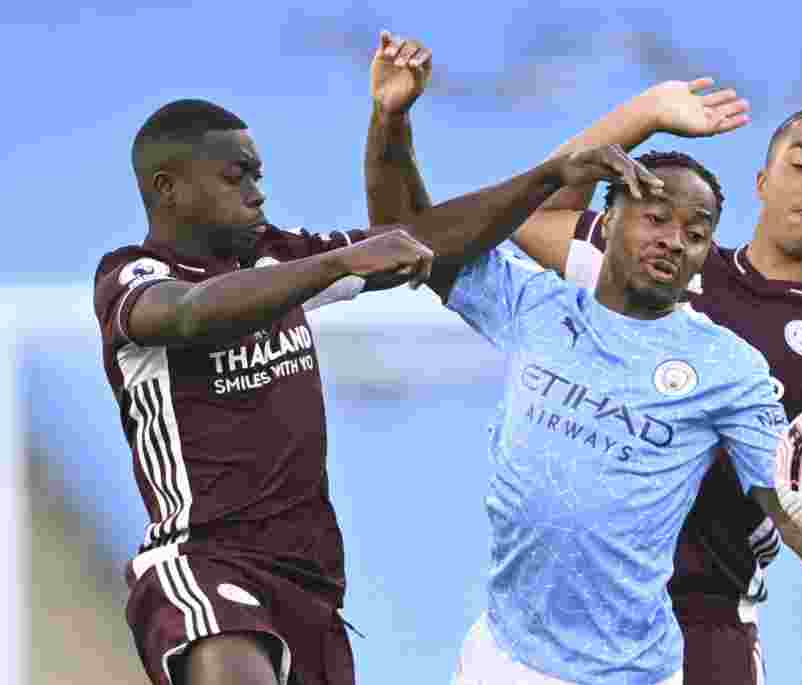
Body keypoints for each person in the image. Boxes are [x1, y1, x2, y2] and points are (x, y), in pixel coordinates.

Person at [363, 37, 802, 684]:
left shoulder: (799, 352)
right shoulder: (603, 280)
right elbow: (474, 227)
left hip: (699, 627)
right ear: (763, 179)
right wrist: (642, 114)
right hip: (518, 640)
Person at [94, 90, 655, 684]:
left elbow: (429, 240)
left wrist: (547, 177)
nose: (257, 192)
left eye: (259, 175)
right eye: (236, 177)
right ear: (167, 188)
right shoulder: (134, 276)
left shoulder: (276, 262)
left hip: (310, 583)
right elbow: (187, 312)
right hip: (204, 561)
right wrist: (341, 262)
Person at [366, 32, 786, 685]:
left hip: (645, 659)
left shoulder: (727, 361)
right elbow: (405, 242)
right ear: (607, 221)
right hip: (503, 658)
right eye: (654, 216)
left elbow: (796, 510)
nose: (673, 240)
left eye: (695, 232)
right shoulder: (542, 304)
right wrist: (391, 119)